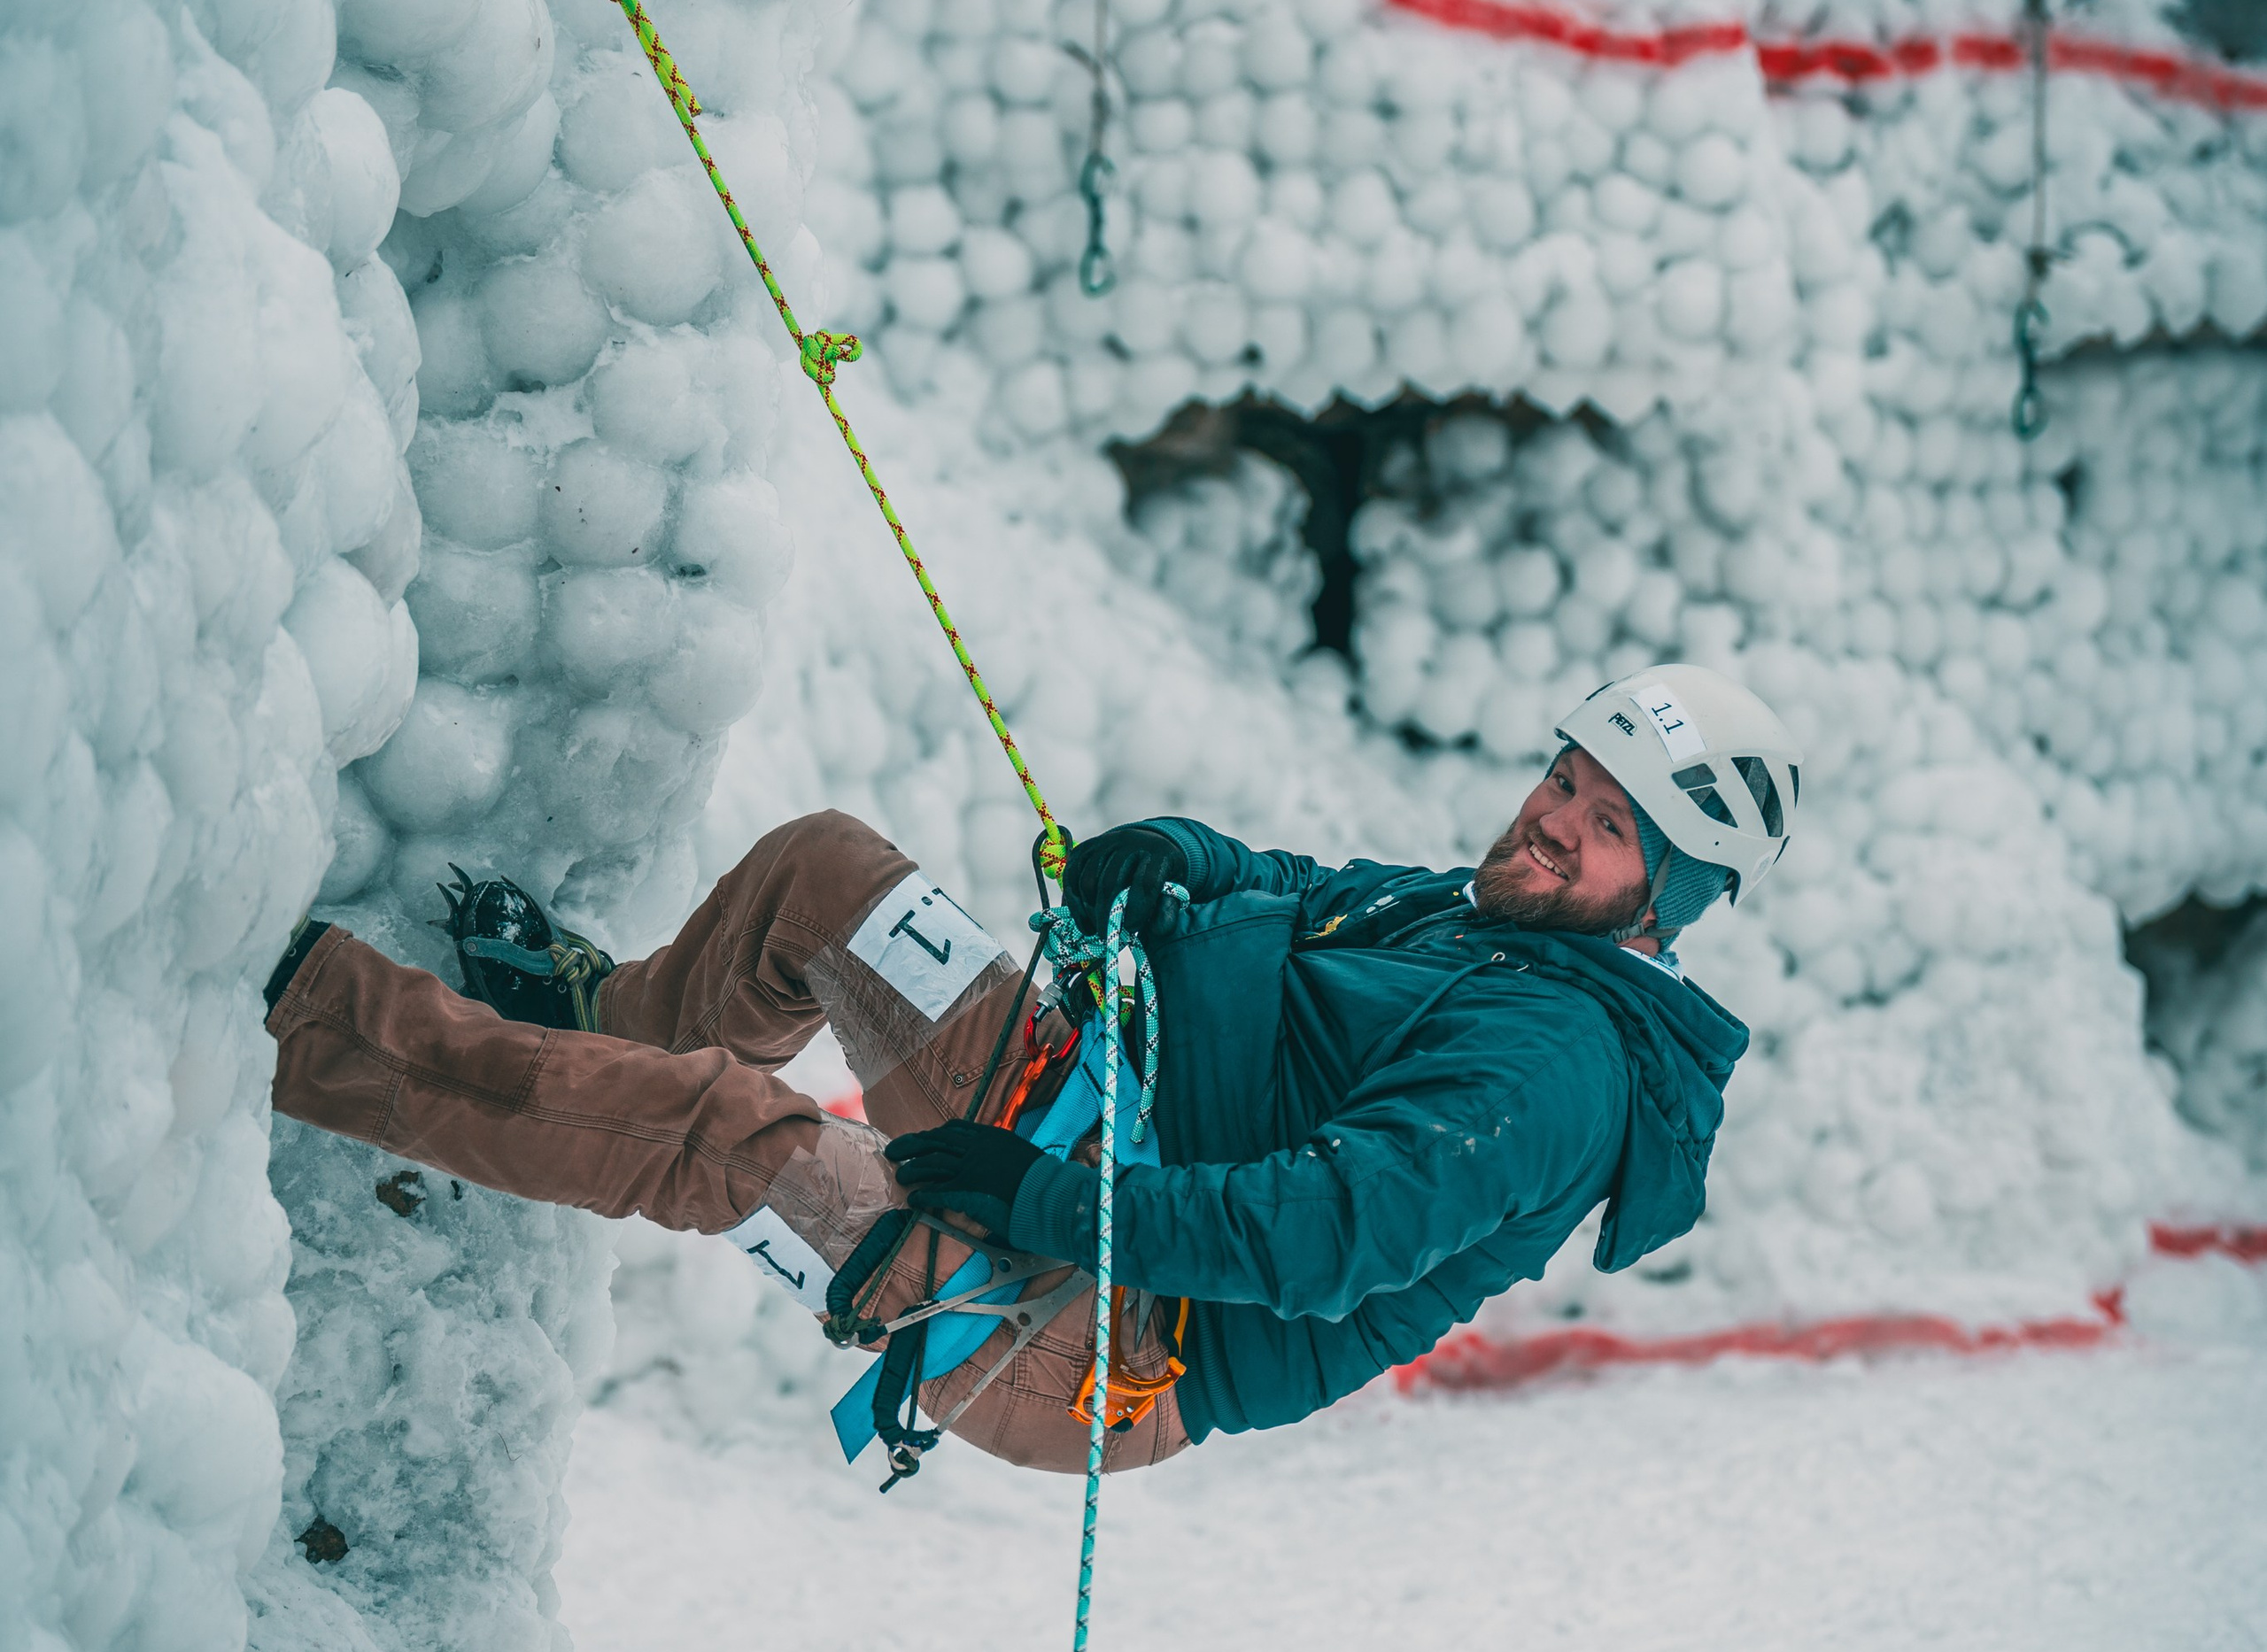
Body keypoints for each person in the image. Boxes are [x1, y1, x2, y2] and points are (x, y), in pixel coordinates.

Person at [263, 661, 1799, 1479]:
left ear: (1665, 901)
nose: (1551, 822)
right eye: (1567, 780)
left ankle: (304, 1022)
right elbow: (1296, 884)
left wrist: (1054, 1203)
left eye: (1606, 830)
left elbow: (1320, 1239)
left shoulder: (1556, 1065)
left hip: (1110, 1329)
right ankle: (604, 1032)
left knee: (741, 1140)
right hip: (1078, 1122)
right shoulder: (1471, 916)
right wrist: (1177, 860)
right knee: (828, 876)